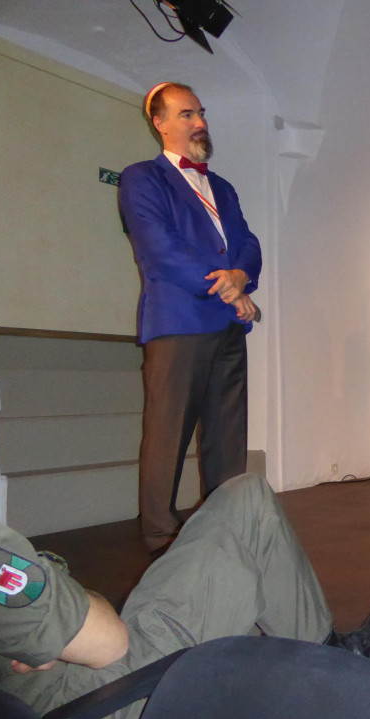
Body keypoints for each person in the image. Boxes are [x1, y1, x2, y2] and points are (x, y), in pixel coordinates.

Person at [0, 473, 370, 719]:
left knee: (241, 598)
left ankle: (307, 667)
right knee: (247, 501)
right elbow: (108, 641)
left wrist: (52, 626)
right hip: (81, 710)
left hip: (24, 708)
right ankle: (336, 672)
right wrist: (66, 608)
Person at [119, 82, 262, 554]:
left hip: (227, 324)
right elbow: (159, 249)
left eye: (201, 113)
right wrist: (229, 288)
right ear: (159, 123)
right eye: (186, 114)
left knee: (228, 436)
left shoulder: (223, 187)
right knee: (168, 435)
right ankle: (161, 539)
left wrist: (241, 275)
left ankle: (227, 532)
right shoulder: (142, 178)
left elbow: (248, 244)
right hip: (179, 321)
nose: (199, 122)